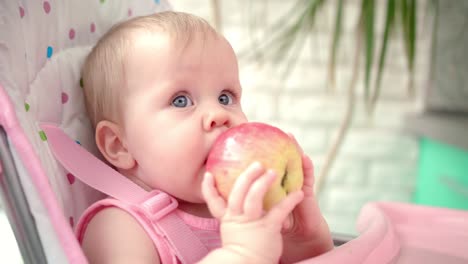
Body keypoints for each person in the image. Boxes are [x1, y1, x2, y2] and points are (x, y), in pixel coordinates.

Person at [78, 11, 333, 263]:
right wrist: (241, 255)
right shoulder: (120, 227)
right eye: (181, 100)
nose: (218, 113)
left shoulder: (247, 209)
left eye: (225, 97)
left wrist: (303, 240)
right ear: (119, 145)